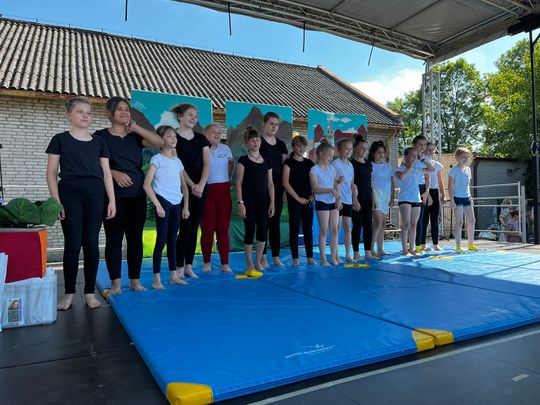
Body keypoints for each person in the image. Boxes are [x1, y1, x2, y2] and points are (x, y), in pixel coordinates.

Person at [46, 98, 116, 310]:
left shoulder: (99, 142)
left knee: (91, 243)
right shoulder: (60, 139)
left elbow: (106, 173)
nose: (85, 115)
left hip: (96, 194)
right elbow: (51, 173)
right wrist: (56, 202)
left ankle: (89, 293)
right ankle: (68, 293)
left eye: (88, 112)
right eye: (80, 111)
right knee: (73, 244)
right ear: (69, 114)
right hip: (69, 194)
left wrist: (112, 200)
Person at [95, 96, 163, 294]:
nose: (124, 112)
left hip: (136, 195)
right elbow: (92, 163)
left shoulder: (135, 136)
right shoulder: (100, 136)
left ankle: (135, 281)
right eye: (119, 109)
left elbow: (159, 142)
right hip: (113, 197)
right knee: (114, 239)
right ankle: (116, 284)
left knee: (135, 239)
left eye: (127, 109)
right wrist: (113, 173)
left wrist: (136, 128)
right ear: (109, 113)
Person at [143, 126, 190, 289]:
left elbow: (184, 187)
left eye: (175, 136)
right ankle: (156, 279)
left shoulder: (177, 161)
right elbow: (146, 185)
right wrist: (158, 205)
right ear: (161, 140)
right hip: (163, 202)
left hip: (177, 203)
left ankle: (173, 275)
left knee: (173, 240)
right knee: (161, 239)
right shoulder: (157, 159)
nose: (173, 138)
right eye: (169, 136)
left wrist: (186, 206)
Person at [173, 104, 211, 280]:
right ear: (180, 116)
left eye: (195, 115)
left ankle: (189, 265)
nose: (193, 118)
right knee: (185, 226)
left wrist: (201, 185)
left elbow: (207, 164)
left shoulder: (201, 139)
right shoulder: (173, 136)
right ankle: (179, 266)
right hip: (181, 184)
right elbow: (177, 164)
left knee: (195, 226)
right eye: (190, 114)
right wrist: (191, 185)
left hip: (200, 186)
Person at [236, 127, 275, 271]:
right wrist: (240, 203)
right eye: (252, 140)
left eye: (257, 140)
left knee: (263, 231)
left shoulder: (267, 161)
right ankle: (249, 263)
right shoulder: (243, 160)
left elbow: (270, 184)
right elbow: (238, 183)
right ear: (247, 143)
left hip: (263, 202)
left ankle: (258, 261)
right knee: (250, 230)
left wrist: (272, 202)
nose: (255, 142)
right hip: (248, 202)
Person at [200, 124, 234, 273]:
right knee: (207, 229)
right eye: (213, 132)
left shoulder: (225, 149)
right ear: (205, 134)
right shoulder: (201, 149)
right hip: (207, 192)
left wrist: (228, 177)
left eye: (219, 132)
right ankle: (206, 262)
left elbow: (231, 163)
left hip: (223, 192)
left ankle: (225, 263)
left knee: (223, 229)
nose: (217, 134)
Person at [259, 112, 288, 267]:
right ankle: (262, 257)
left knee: (274, 223)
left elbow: (285, 168)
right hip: (261, 188)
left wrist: (284, 190)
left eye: (276, 124)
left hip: (277, 188)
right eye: (271, 123)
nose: (274, 127)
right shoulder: (258, 142)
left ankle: (276, 256)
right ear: (264, 124)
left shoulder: (281, 145)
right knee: (263, 223)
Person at [283, 135, 315, 266]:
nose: (301, 148)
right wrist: (297, 198)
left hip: (307, 201)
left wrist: (313, 195)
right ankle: (295, 258)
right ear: (293, 147)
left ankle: (310, 257)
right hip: (294, 201)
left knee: (308, 229)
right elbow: (285, 182)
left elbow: (316, 180)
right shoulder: (288, 163)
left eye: (303, 146)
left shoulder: (309, 163)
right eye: (298, 146)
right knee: (294, 229)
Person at [310, 138, 340, 266]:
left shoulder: (332, 169)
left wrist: (338, 199)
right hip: (322, 202)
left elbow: (335, 184)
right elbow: (316, 189)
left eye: (332, 156)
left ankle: (333, 257)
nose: (330, 159)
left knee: (335, 230)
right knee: (324, 230)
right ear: (321, 154)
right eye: (329, 156)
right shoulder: (314, 170)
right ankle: (323, 259)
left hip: (333, 201)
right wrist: (330, 190)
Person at [395, 147, 426, 256]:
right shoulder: (400, 169)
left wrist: (422, 159)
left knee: (414, 224)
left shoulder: (418, 169)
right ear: (405, 156)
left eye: (415, 156)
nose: (413, 158)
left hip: (416, 198)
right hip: (405, 198)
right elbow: (401, 177)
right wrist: (410, 167)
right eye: (411, 155)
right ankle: (405, 249)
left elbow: (431, 169)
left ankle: (412, 249)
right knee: (406, 224)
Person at [448, 147, 480, 252]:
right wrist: (452, 200)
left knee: (472, 220)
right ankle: (458, 246)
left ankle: (471, 244)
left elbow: (467, 186)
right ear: (457, 158)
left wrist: (470, 197)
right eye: (463, 157)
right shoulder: (453, 171)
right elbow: (450, 186)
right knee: (459, 222)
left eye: (467, 157)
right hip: (457, 198)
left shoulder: (468, 170)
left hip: (467, 197)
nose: (465, 159)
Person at [351, 136, 377, 260]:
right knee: (357, 225)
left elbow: (370, 183)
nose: (364, 150)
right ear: (355, 149)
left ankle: (368, 252)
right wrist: (354, 200)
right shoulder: (351, 164)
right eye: (362, 148)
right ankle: (356, 253)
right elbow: (351, 184)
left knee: (368, 225)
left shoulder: (368, 164)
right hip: (357, 197)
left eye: (366, 148)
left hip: (367, 196)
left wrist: (373, 199)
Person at [369, 140, 394, 256]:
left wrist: (392, 197)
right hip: (375, 193)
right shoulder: (370, 165)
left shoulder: (388, 166)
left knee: (383, 223)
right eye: (378, 152)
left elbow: (391, 181)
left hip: (386, 195)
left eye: (383, 152)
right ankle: (370, 249)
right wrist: (373, 199)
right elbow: (369, 183)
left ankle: (380, 248)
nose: (381, 155)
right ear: (373, 153)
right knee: (377, 222)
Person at [331, 138, 354, 262]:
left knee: (347, 227)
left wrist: (354, 199)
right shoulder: (335, 164)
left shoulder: (351, 165)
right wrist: (337, 198)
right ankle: (335, 255)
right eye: (346, 149)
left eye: (350, 149)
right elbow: (332, 181)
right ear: (339, 150)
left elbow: (352, 183)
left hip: (348, 200)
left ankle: (348, 254)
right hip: (338, 200)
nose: (348, 151)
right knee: (336, 228)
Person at [420, 142, 446, 251]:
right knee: (424, 218)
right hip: (425, 190)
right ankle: (422, 243)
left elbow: (440, 180)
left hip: (435, 191)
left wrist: (443, 194)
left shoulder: (437, 164)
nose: (431, 152)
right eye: (428, 149)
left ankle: (436, 243)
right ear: (424, 150)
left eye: (433, 150)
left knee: (435, 218)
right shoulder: (421, 162)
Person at [411, 135, 434, 253]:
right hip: (411, 188)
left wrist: (426, 192)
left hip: (422, 188)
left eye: (424, 145)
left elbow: (430, 173)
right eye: (420, 144)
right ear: (414, 144)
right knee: (410, 220)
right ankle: (408, 245)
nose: (422, 147)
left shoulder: (424, 159)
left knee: (420, 219)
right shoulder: (409, 156)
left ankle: (418, 246)